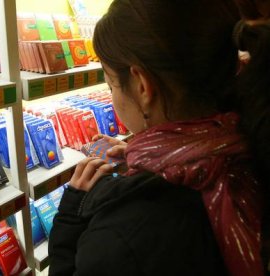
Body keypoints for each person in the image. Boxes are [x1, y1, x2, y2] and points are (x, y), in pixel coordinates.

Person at [48, 0, 270, 275]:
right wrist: (151, 160)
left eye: (111, 83)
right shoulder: (254, 138)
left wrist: (70, 215)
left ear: (142, 85)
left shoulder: (124, 238)